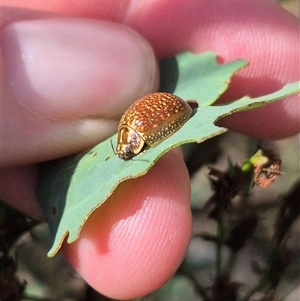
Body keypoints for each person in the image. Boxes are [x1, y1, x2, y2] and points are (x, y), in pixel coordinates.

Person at [1, 0, 299, 299]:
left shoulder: (138, 126)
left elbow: (163, 118)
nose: (130, 152)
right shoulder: (128, 132)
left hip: (168, 107)